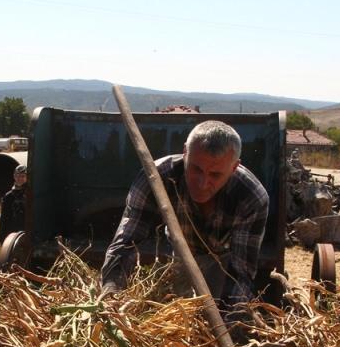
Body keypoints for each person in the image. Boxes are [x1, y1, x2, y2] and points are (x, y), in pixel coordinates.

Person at [100, 120, 269, 307]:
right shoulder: (157, 179)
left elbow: (240, 272)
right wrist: (111, 292)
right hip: (180, 253)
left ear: (234, 167)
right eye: (196, 169)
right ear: (185, 152)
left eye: (215, 175)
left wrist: (228, 321)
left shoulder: (250, 196)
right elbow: (126, 243)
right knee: (180, 309)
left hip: (223, 261)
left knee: (225, 313)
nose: (203, 184)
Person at [0, 164, 27, 243]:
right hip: (12, 234)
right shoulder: (9, 196)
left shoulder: (31, 195)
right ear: (14, 176)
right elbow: (4, 218)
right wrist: (2, 237)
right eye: (17, 176)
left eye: (22, 176)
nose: (19, 178)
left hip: (27, 233)